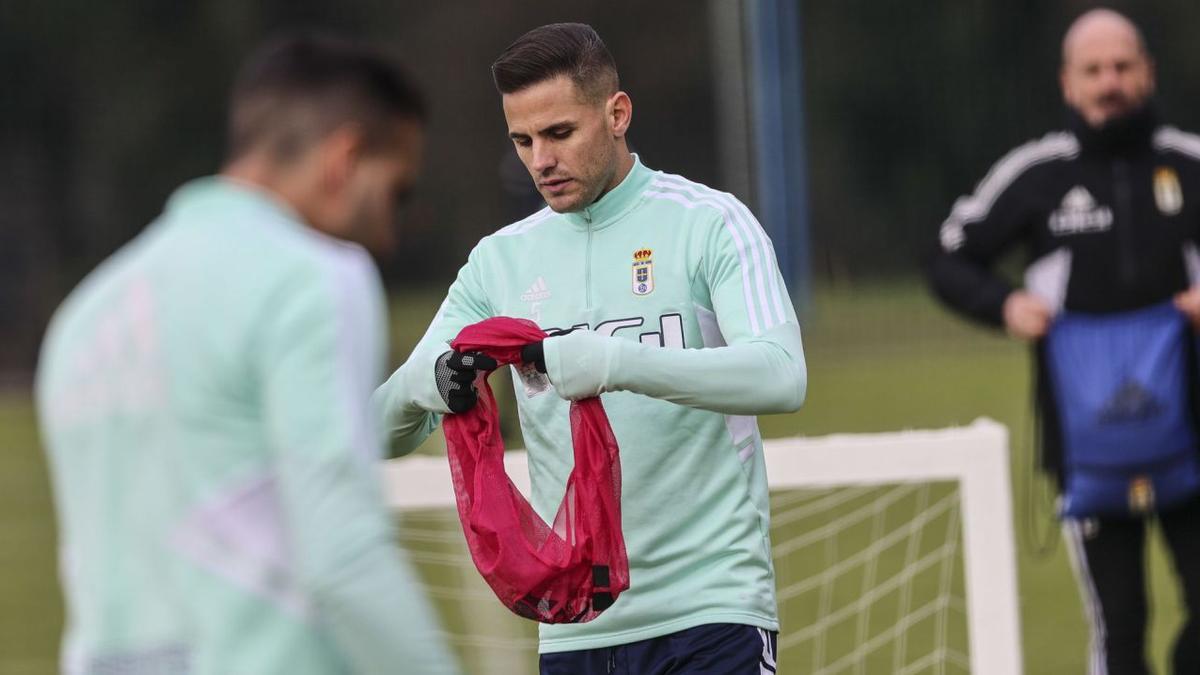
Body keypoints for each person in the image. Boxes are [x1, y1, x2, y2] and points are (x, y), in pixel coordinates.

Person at [374, 22, 806, 674]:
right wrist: (422, 384)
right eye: (522, 140)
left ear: (617, 114)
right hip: (576, 625)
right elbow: (374, 431)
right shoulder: (499, 264)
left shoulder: (709, 222)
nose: (539, 160)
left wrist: (612, 361)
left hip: (713, 608)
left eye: (559, 133)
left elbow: (782, 375)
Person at [35, 33, 461, 675]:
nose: (389, 233)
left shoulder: (84, 317)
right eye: (395, 192)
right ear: (343, 158)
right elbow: (341, 554)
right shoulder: (314, 276)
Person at [928, 9, 1200, 674]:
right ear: (1067, 82)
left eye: (1122, 66)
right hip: (1086, 449)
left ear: (1147, 72)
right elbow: (947, 254)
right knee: (1120, 624)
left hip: (1195, 436)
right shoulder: (1037, 173)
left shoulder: (1188, 162)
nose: (1110, 81)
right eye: (1094, 70)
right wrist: (1005, 303)